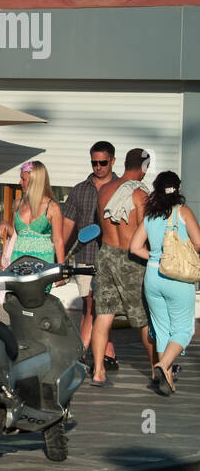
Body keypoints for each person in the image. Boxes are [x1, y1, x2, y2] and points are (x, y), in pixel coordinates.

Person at [130, 172, 200, 396]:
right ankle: (165, 363)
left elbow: (134, 247)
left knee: (161, 329)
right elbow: (198, 244)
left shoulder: (150, 216)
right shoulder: (183, 212)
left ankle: (166, 375)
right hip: (178, 278)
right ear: (177, 188)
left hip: (153, 277)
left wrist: (156, 256)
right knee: (184, 329)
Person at [89, 148, 154, 385]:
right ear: (144, 167)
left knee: (103, 315)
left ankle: (98, 370)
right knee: (144, 317)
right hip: (131, 259)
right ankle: (156, 370)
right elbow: (146, 232)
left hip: (106, 254)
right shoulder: (139, 195)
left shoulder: (105, 190)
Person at [64, 142, 120, 364]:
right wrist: (60, 256)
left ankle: (102, 352)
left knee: (102, 306)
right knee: (91, 305)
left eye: (102, 163)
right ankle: (90, 353)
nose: (98, 167)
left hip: (113, 257)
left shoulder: (121, 188)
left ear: (113, 161)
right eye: (94, 162)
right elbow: (68, 225)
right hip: (86, 256)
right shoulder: (80, 189)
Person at [13, 161, 65, 264]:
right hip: (18, 262)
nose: (19, 182)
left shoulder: (52, 208)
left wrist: (61, 270)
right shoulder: (18, 204)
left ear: (34, 181)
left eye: (23, 179)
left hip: (42, 265)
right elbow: (15, 234)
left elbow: (58, 241)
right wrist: (4, 224)